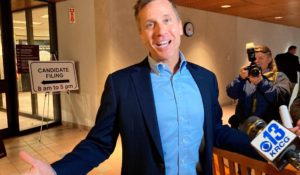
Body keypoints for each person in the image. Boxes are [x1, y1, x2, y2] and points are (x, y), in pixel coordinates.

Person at [19, 1, 300, 175]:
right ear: (142, 34)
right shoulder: (121, 84)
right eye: (149, 24)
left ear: (178, 26)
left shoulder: (205, 79)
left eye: (166, 20)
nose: (160, 31)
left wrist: (280, 143)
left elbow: (218, 132)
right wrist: (57, 171)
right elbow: (99, 144)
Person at [226, 45, 291, 129]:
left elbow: (282, 98)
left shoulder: (279, 77)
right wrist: (240, 79)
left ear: (269, 59)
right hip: (244, 125)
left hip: (267, 127)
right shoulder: (246, 76)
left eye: (261, 58)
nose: (257, 61)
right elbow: (231, 94)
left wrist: (262, 82)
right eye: (255, 58)